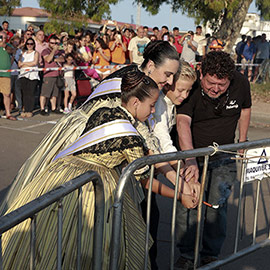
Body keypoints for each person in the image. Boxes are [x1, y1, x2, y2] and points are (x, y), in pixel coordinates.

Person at [2, 70, 192, 270]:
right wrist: (178, 195)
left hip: (61, 174)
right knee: (90, 245)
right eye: (151, 106)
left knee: (49, 234)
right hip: (94, 187)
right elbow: (144, 180)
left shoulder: (104, 112)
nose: (153, 111)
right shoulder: (130, 137)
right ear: (136, 102)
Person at [174, 51, 251, 269]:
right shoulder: (191, 88)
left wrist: (242, 142)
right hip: (193, 155)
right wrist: (189, 159)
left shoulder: (242, 83)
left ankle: (210, 253)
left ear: (231, 79)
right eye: (210, 83)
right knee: (188, 204)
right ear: (201, 74)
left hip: (225, 157)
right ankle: (187, 254)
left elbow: (245, 110)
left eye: (222, 84)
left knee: (217, 205)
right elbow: (182, 123)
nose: (215, 88)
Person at [40, 35, 65, 115]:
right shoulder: (45, 51)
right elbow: (48, 59)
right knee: (45, 93)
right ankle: (42, 108)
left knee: (55, 93)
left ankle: (54, 108)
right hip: (48, 74)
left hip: (57, 74)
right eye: (52, 43)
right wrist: (53, 51)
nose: (54, 44)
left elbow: (62, 59)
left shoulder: (60, 51)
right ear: (49, 43)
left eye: (56, 43)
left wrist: (55, 58)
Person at [18, 37, 39, 118]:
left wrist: (24, 63)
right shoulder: (23, 53)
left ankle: (30, 110)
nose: (29, 45)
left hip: (33, 75)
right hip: (23, 74)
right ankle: (25, 109)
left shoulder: (36, 53)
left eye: (31, 44)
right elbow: (19, 64)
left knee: (31, 93)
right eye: (28, 44)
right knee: (25, 93)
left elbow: (35, 62)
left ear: (34, 45)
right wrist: (26, 64)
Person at [0, 31, 17, 120]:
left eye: (4, 37)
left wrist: (4, 45)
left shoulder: (8, 46)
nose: (2, 39)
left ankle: (8, 113)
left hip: (6, 74)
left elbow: (12, 51)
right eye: (1, 37)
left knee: (6, 94)